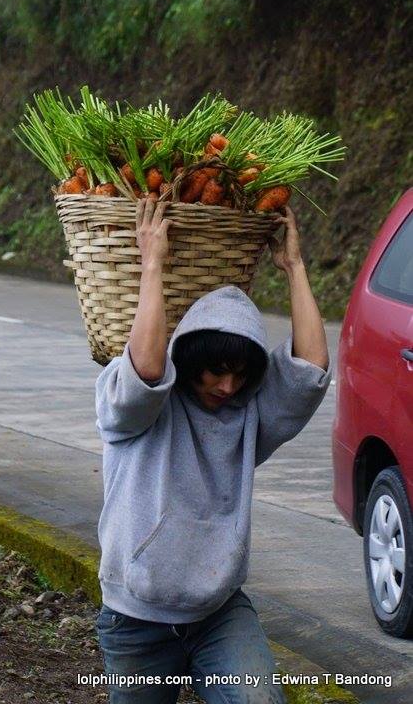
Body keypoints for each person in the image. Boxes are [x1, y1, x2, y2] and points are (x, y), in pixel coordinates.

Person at [94, 198, 332, 703]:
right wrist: (152, 264)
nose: (227, 385)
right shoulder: (136, 409)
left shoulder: (249, 416)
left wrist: (294, 267)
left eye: (240, 373)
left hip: (219, 612)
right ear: (191, 357)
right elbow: (149, 368)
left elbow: (309, 369)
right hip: (136, 617)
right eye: (215, 370)